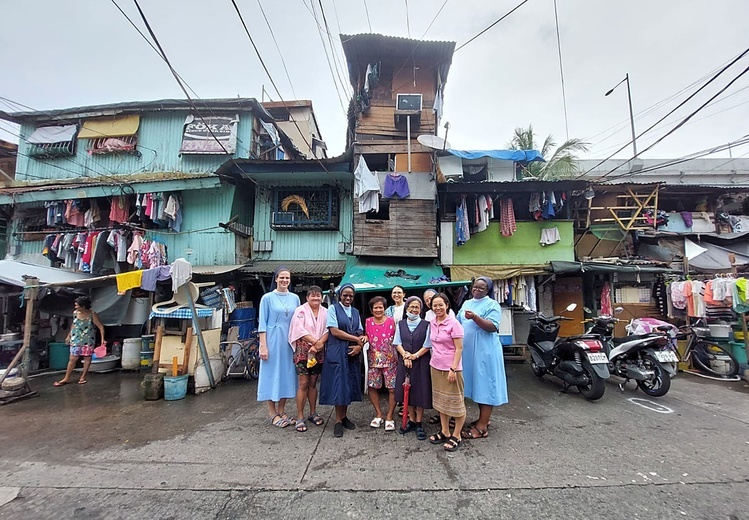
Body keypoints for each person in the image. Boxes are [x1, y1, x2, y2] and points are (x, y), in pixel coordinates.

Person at [457, 277, 508, 440]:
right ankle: (483, 419)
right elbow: (458, 322)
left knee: (485, 385)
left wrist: (475, 318)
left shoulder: (492, 305)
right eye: (475, 287)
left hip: (485, 351)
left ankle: (482, 427)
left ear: (488, 290)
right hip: (468, 351)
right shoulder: (466, 303)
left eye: (481, 287)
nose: (477, 290)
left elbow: (493, 326)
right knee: (476, 385)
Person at [319, 283, 367, 438]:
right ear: (340, 295)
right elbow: (335, 331)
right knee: (338, 385)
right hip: (337, 351)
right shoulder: (333, 309)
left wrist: (360, 344)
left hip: (351, 352)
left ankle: (344, 416)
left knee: (348, 385)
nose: (348, 298)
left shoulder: (355, 311)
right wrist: (356, 339)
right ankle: (337, 421)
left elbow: (360, 330)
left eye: (351, 296)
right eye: (345, 295)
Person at [257, 267, 300, 428]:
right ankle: (272, 412)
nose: (284, 280)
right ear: (275, 279)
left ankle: (282, 410)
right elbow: (262, 323)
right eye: (281, 277)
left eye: (287, 278)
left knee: (287, 374)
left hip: (289, 341)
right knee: (271, 374)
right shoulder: (267, 298)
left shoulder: (295, 298)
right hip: (272, 339)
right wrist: (263, 345)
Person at [427, 293, 465, 451]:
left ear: (447, 305)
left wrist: (453, 368)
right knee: (441, 401)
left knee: (456, 402)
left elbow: (459, 348)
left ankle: (457, 434)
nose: (437, 308)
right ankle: (444, 430)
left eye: (440, 305)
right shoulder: (432, 322)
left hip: (451, 369)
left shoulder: (454, 323)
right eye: (434, 305)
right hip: (435, 366)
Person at [288, 285, 329, 433]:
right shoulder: (300, 310)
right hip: (304, 350)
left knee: (313, 382)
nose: (316, 298)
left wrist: (319, 345)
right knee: (303, 383)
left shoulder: (325, 311)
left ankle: (313, 412)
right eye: (313, 296)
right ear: (307, 297)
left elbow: (328, 330)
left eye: (318, 295)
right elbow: (299, 329)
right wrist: (315, 343)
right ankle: (300, 416)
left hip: (318, 350)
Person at [394, 296, 432, 441]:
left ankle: (419, 422)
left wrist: (414, 356)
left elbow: (428, 345)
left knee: (420, 391)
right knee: (407, 392)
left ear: (421, 310)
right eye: (411, 307)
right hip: (405, 362)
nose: (414, 310)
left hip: (421, 362)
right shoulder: (401, 324)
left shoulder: (426, 324)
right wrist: (405, 356)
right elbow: (397, 342)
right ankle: (410, 419)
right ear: (407, 308)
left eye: (417, 307)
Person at [54, 296, 105, 386]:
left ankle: (83, 377)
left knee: (87, 358)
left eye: (77, 305)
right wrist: (68, 336)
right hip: (75, 339)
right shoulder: (75, 313)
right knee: (72, 359)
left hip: (88, 340)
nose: (76, 307)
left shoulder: (92, 314)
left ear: (84, 306)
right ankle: (66, 378)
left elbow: (100, 327)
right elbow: (74, 325)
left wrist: (102, 339)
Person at [364, 296, 397, 431]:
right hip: (373, 361)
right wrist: (364, 337)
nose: (378, 310)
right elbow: (364, 335)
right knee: (372, 387)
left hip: (390, 361)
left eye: (380, 307)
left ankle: (389, 416)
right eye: (375, 308)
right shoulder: (367, 322)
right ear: (371, 310)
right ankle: (378, 414)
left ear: (384, 308)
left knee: (392, 389)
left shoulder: (391, 321)